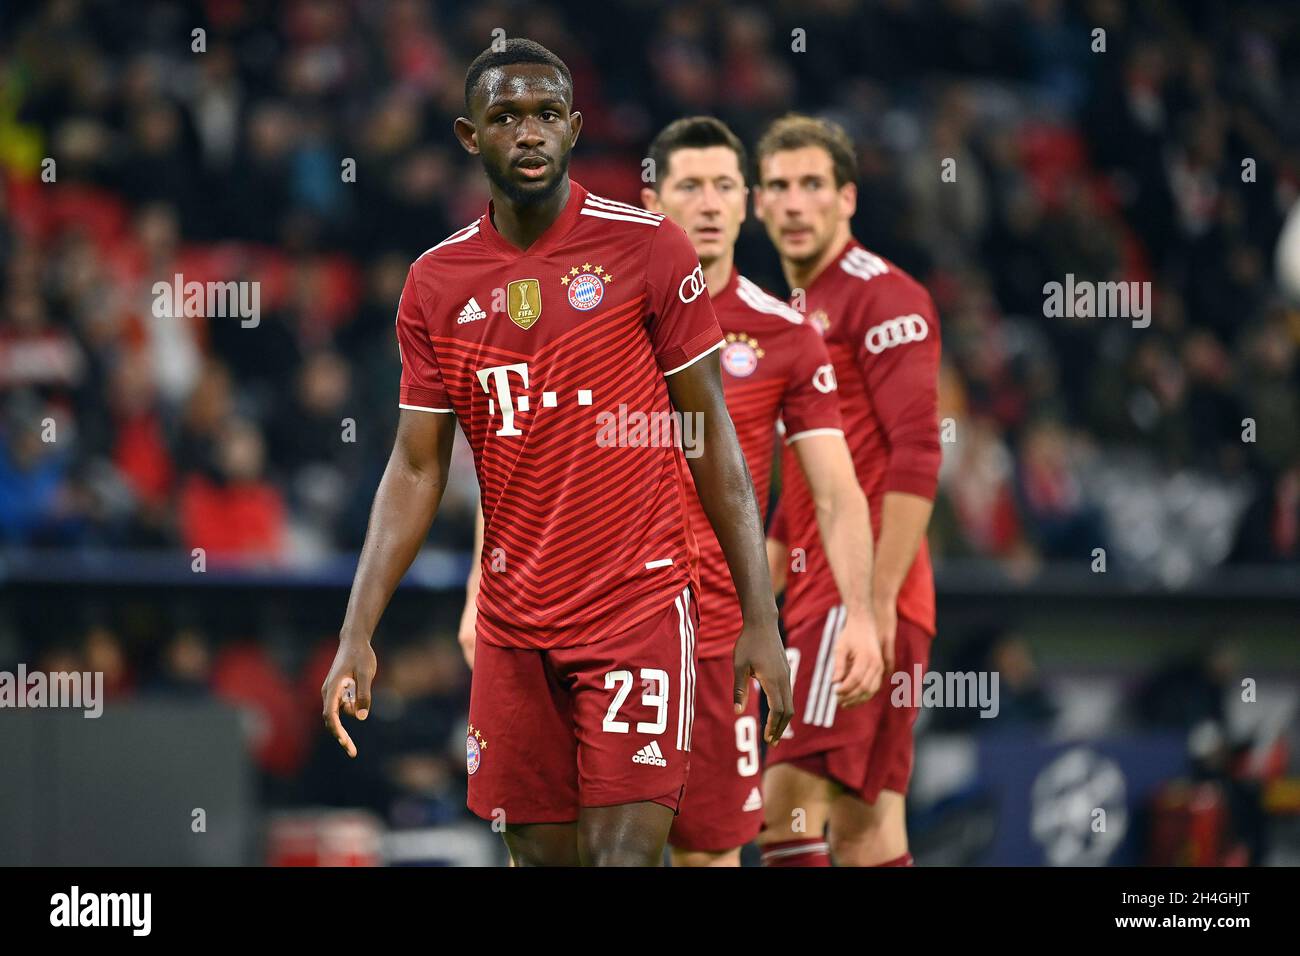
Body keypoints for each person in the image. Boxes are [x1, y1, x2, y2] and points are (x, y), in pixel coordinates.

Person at [321, 39, 791, 867]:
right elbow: (418, 465)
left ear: (574, 128)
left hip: (636, 612)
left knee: (624, 860)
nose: (528, 133)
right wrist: (357, 630)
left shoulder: (649, 250)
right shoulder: (435, 283)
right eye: (506, 117)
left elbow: (709, 434)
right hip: (512, 628)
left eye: (545, 115)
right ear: (472, 137)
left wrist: (760, 615)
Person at [641, 116, 882, 866]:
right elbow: (525, 464)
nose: (709, 203)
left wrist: (862, 614)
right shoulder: (599, 320)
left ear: (747, 203)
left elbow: (838, 494)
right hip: (605, 629)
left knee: (708, 856)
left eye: (723, 187)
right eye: (690, 186)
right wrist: (480, 593)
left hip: (722, 637)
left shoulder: (785, 335)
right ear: (652, 201)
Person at [755, 115, 942, 867]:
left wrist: (876, 603)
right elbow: (796, 488)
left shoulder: (883, 298)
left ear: (847, 199)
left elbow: (919, 455)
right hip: (816, 596)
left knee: (784, 808)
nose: (795, 204)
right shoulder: (790, 315)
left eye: (812, 185)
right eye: (778, 187)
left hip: (854, 598)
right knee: (868, 828)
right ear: (758, 205)